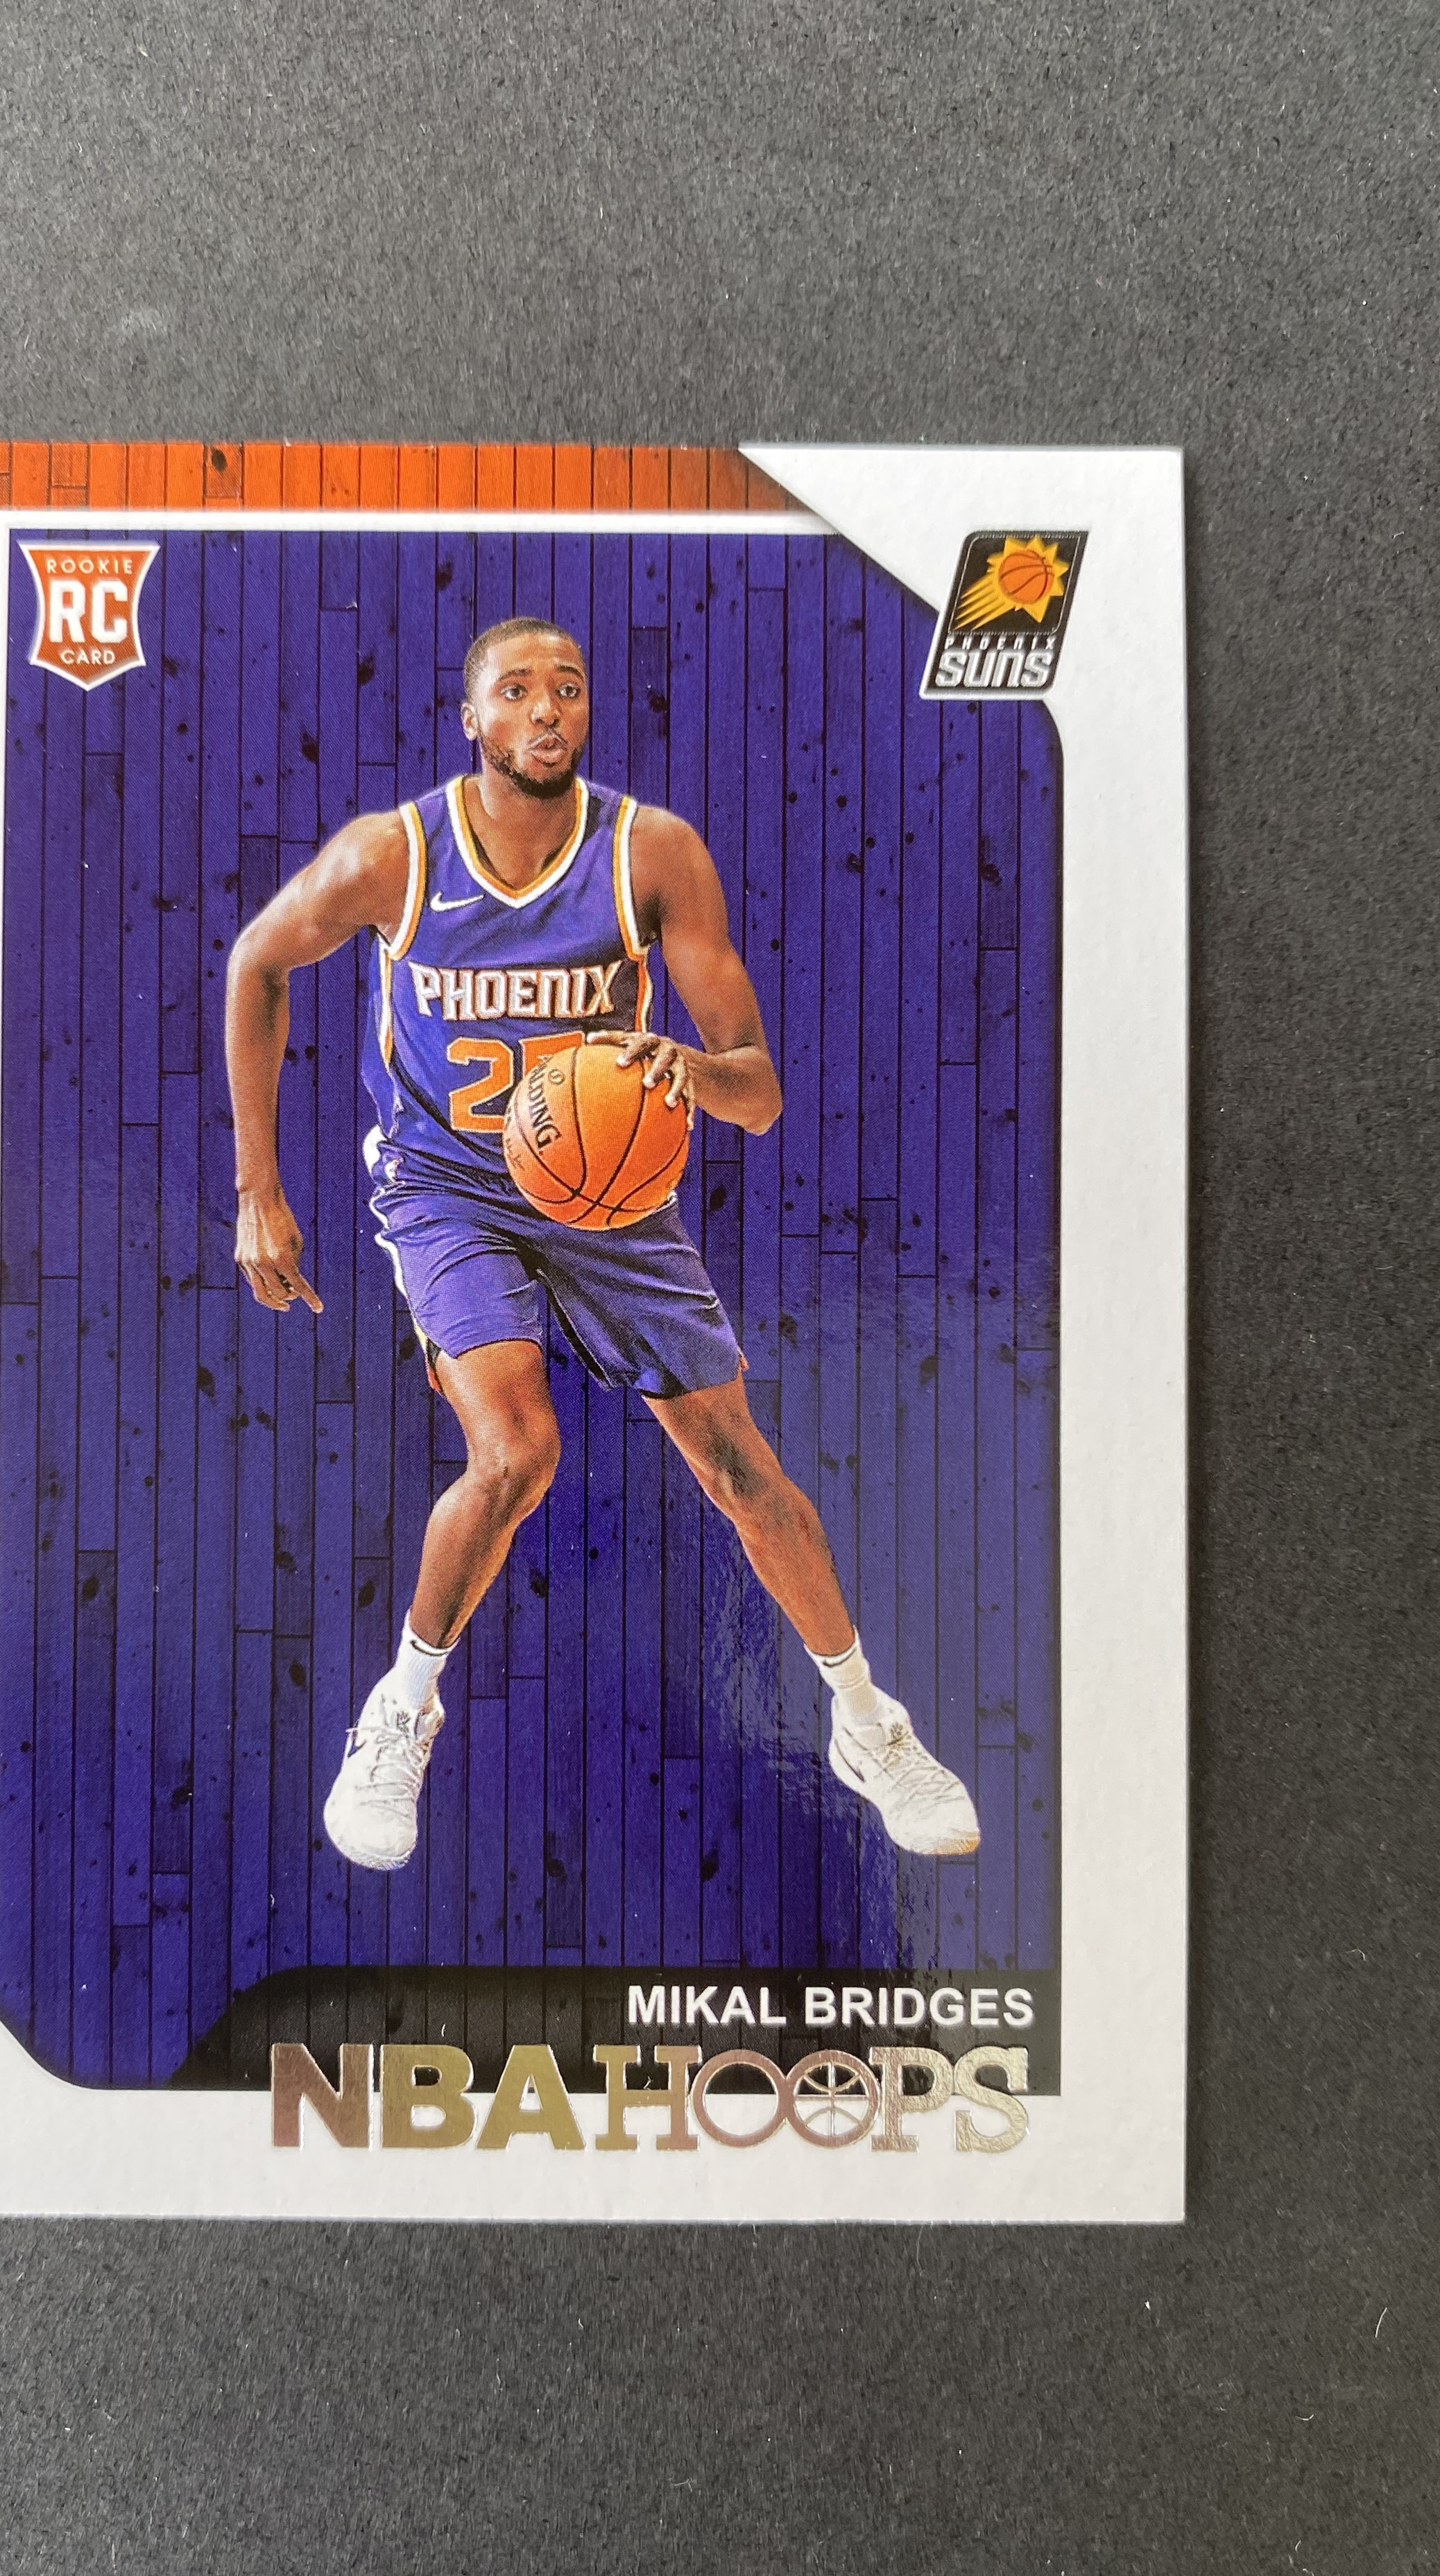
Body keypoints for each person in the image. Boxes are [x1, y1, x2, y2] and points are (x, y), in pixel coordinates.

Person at [224, 618, 979, 1872]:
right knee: (517, 1449)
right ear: (472, 719)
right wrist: (260, 1185)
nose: (546, 710)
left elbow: (758, 1090)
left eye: (567, 689)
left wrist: (687, 1067)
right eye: (516, 691)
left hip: (611, 1197)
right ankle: (398, 1712)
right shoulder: (394, 855)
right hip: (450, 1188)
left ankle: (867, 1724)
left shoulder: (652, 852)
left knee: (738, 1466)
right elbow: (259, 959)